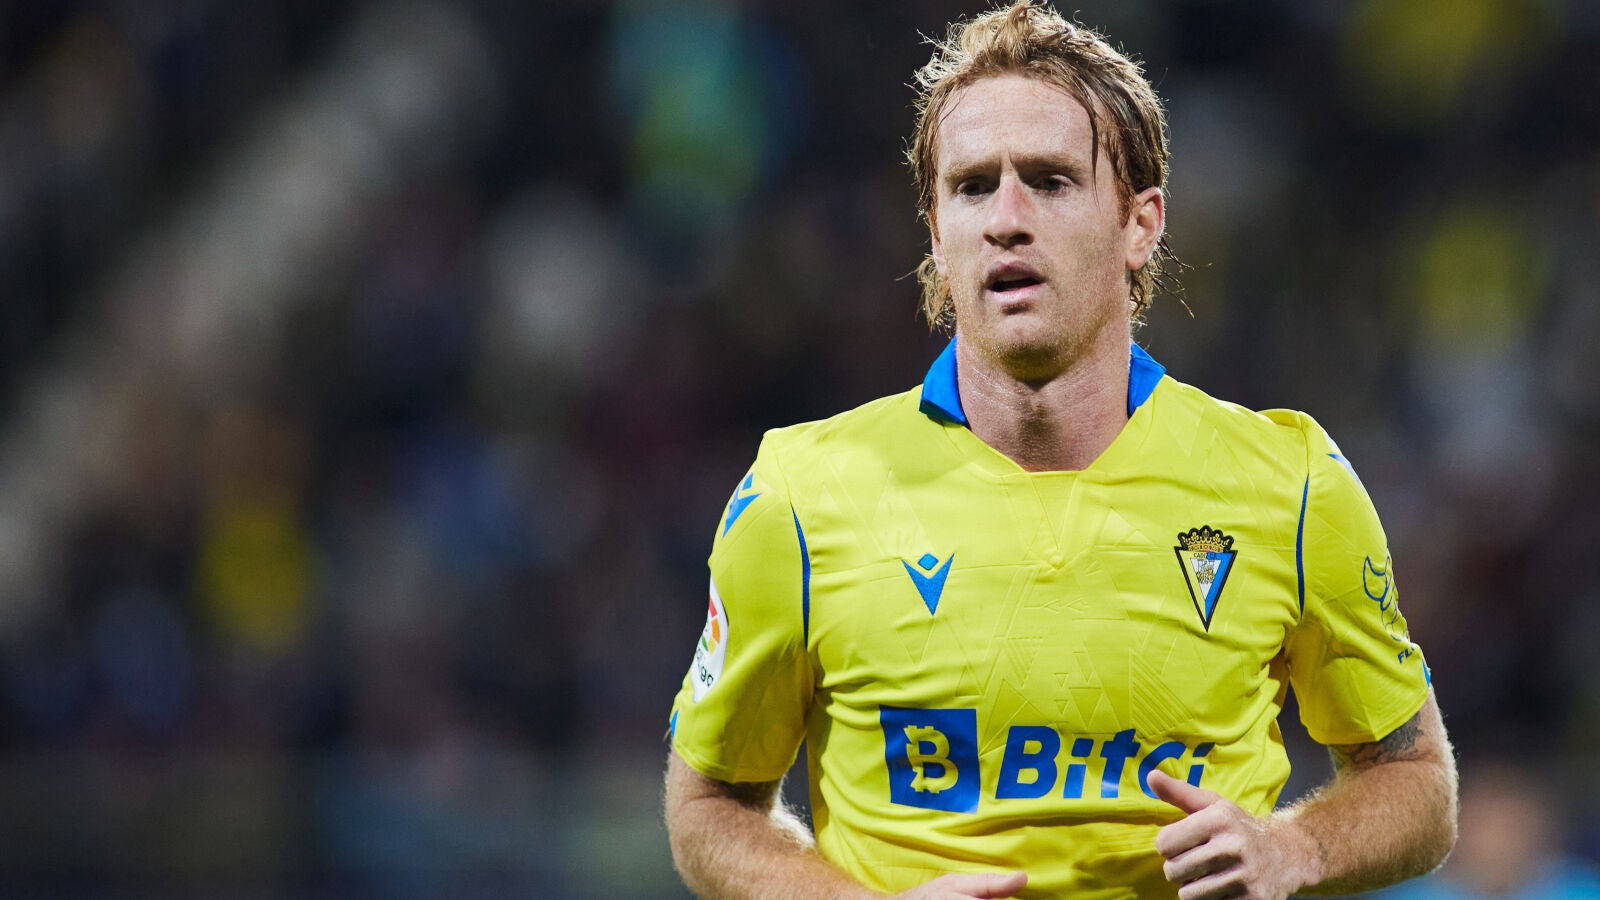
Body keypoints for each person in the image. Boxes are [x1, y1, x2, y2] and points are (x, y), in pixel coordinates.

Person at [663, 3, 1458, 897]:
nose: (1006, 218)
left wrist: (1294, 849)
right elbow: (708, 804)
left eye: (1049, 180)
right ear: (937, 234)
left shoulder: (1291, 482)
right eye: (973, 187)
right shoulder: (801, 495)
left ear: (1139, 224)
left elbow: (1415, 779)